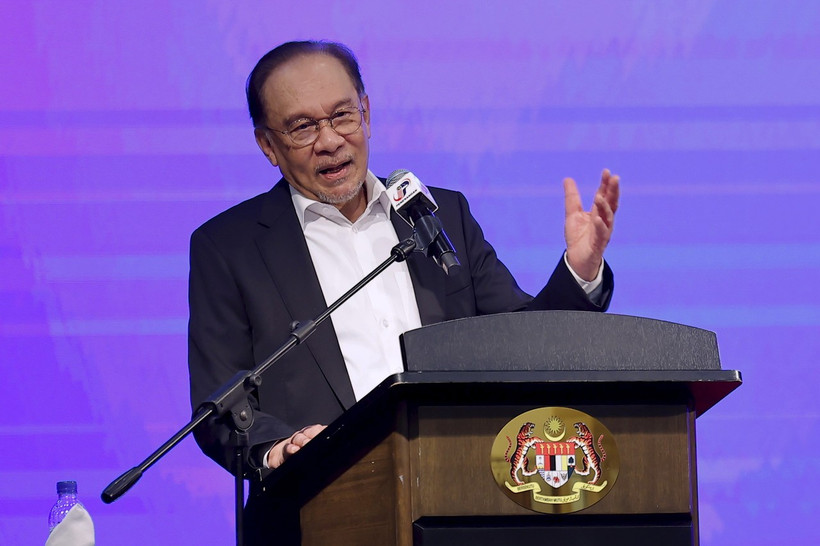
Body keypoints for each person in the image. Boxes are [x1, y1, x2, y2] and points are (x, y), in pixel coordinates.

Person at [188, 40, 619, 541]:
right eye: (303, 127)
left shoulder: (439, 215)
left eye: (342, 115)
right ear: (268, 145)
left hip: (460, 507)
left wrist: (579, 271)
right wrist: (278, 448)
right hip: (316, 516)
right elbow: (218, 406)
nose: (330, 140)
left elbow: (526, 342)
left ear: (366, 113)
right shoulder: (230, 247)